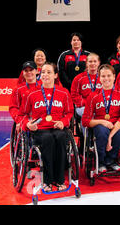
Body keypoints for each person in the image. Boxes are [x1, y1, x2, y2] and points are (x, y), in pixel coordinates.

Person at [19, 62, 74, 192]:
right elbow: (23, 114)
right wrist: (27, 124)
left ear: (55, 75)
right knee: (47, 139)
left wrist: (64, 121)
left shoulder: (64, 92)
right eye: (43, 72)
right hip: (40, 130)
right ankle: (47, 180)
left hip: (58, 127)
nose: (45, 75)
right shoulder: (31, 93)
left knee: (61, 138)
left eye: (49, 72)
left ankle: (60, 179)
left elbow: (69, 112)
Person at [82, 64, 120, 173]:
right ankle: (101, 161)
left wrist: (110, 136)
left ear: (114, 76)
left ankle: (111, 160)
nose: (106, 79)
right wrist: (102, 121)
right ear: (99, 78)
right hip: (101, 124)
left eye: (109, 76)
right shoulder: (93, 96)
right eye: (103, 76)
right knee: (101, 130)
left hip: (117, 123)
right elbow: (85, 120)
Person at [10, 61, 40, 132]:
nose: (28, 72)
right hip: (25, 119)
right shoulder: (18, 89)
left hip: (40, 118)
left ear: (37, 71)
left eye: (31, 70)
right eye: (26, 71)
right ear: (23, 73)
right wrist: (20, 121)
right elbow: (13, 108)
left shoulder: (43, 86)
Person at [70, 53, 102, 118]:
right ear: (86, 63)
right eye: (90, 61)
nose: (92, 63)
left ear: (98, 63)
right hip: (83, 107)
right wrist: (87, 102)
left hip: (100, 105)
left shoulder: (103, 77)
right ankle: (85, 128)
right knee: (88, 113)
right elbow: (74, 95)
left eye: (95, 61)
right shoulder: (78, 78)